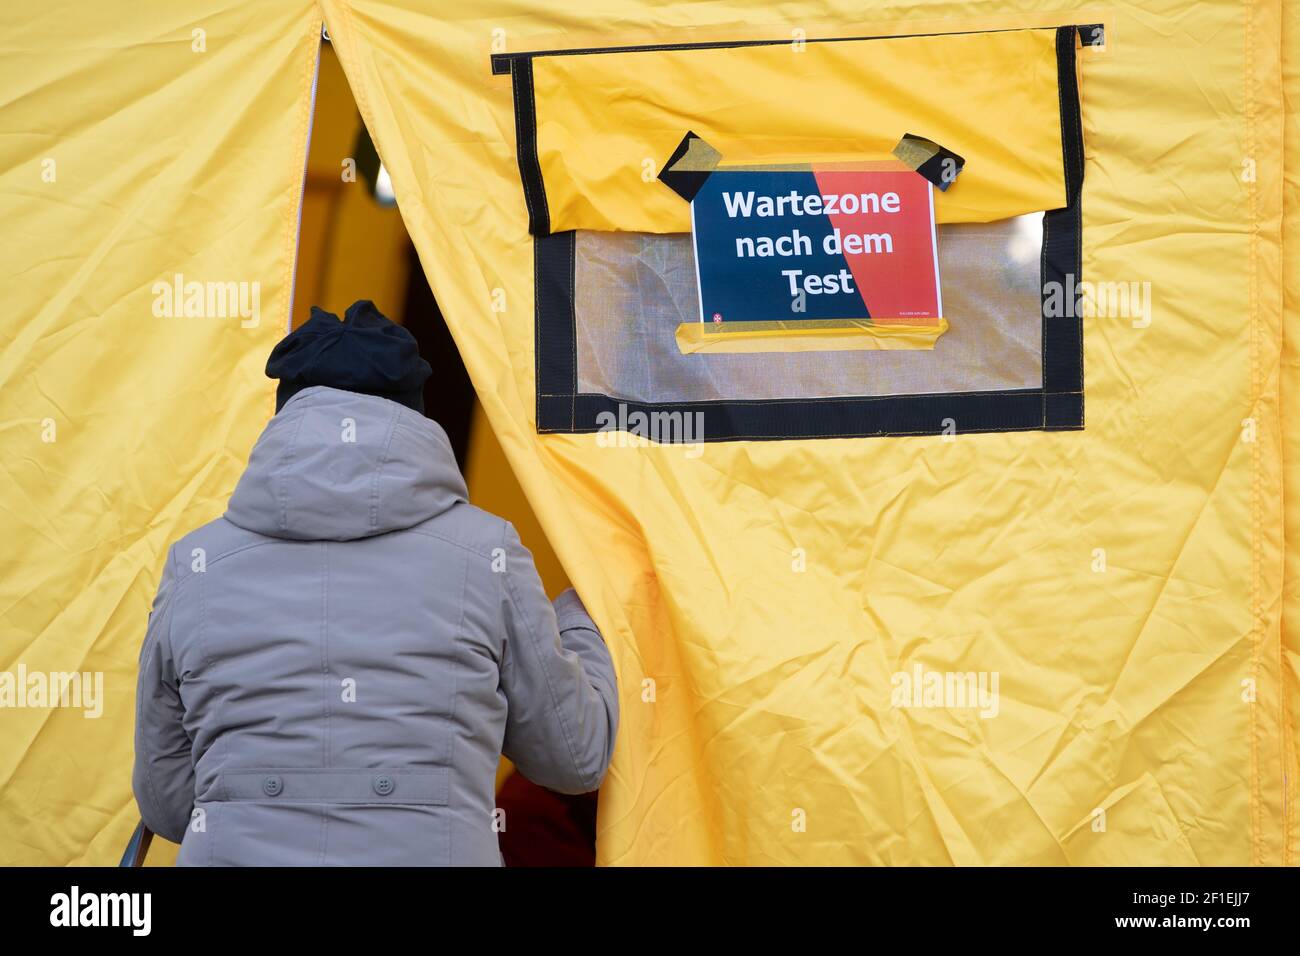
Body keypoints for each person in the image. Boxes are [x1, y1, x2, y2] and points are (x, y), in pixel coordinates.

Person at [132, 300, 618, 866]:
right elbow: (575, 758)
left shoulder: (195, 564)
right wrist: (585, 614)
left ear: (281, 416)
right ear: (417, 417)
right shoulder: (489, 555)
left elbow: (167, 804)